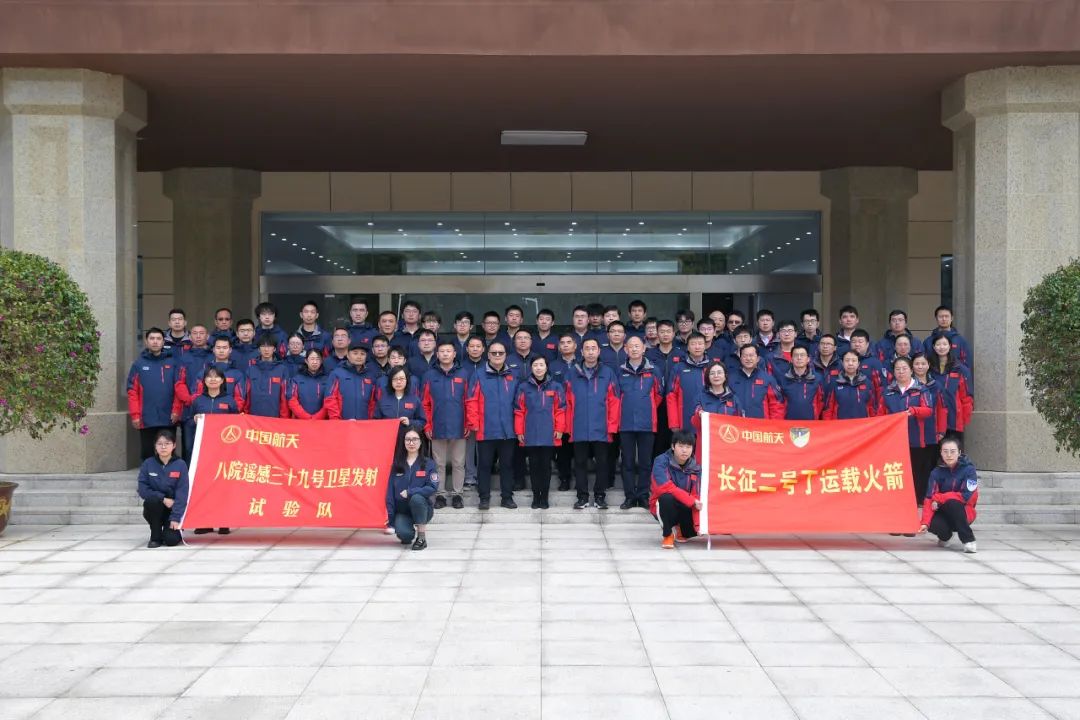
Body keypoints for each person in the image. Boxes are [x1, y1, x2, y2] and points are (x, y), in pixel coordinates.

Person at [565, 338, 620, 509]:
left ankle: (599, 496)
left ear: (599, 351)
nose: (590, 352)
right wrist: (568, 427)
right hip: (579, 426)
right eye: (587, 349)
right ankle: (582, 496)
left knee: (602, 463)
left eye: (593, 348)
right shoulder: (572, 373)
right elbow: (566, 402)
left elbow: (614, 401)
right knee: (580, 463)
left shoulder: (608, 372)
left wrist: (612, 426)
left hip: (601, 427)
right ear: (581, 352)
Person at [465, 341, 519, 510]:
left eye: (500, 353)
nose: (497, 356)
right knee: (484, 465)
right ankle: (484, 498)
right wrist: (474, 423)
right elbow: (471, 400)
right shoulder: (479, 375)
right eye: (493, 353)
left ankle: (507, 498)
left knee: (507, 465)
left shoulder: (513, 375)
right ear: (488, 355)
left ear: (505, 355)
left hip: (508, 430)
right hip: (485, 430)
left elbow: (519, 402)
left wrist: (518, 427)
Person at [881, 356, 939, 510]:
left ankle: (918, 501)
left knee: (917, 471)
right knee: (898, 471)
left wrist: (914, 411)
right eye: (897, 369)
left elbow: (928, 410)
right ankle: (899, 501)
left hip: (916, 438)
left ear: (911, 370)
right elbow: (881, 413)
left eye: (904, 368)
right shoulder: (888, 391)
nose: (901, 372)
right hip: (894, 439)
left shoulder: (921, 389)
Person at [421, 341, 471, 510]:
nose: (445, 354)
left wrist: (468, 422)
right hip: (437, 426)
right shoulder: (429, 375)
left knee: (458, 463)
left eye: (448, 351)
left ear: (454, 354)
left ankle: (458, 494)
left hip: (459, 425)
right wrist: (427, 425)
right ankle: (440, 494)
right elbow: (425, 403)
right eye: (442, 351)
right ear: (437, 354)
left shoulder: (463, 374)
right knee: (438, 464)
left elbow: (469, 401)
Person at [615, 336, 663, 510]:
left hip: (647, 423)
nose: (634, 349)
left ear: (644, 348)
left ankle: (643, 495)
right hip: (625, 423)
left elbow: (658, 394)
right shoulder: (619, 371)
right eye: (631, 346)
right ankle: (629, 496)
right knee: (627, 462)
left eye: (637, 346)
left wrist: (646, 408)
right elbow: (615, 395)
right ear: (625, 349)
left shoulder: (654, 370)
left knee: (645, 462)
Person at [514, 356, 567, 509]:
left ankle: (544, 497)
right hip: (530, 432)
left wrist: (559, 429)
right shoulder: (523, 387)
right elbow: (519, 410)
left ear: (546, 367)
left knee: (545, 466)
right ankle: (536, 497)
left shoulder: (556, 387)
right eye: (535, 365)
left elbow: (560, 409)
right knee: (534, 466)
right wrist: (519, 431)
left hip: (549, 433)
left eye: (541, 365)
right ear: (531, 368)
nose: (538, 368)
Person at [191, 366, 238, 535]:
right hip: (204, 450)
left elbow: (237, 426)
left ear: (222, 380)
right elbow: (188, 422)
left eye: (216, 377)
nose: (213, 380)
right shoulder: (198, 401)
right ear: (204, 381)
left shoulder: (230, 401)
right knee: (204, 485)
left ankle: (223, 521)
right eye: (209, 377)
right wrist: (194, 419)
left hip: (224, 450)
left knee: (223, 485)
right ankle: (205, 522)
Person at [127, 327, 181, 460]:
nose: (155, 341)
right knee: (148, 453)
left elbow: (178, 389)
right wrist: (135, 415)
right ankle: (148, 473)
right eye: (152, 338)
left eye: (158, 339)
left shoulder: (172, 363)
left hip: (168, 417)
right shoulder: (139, 364)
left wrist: (176, 411)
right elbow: (132, 391)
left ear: (163, 342)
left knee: (167, 453)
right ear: (146, 341)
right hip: (146, 417)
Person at [918, 438, 979, 553]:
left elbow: (966, 496)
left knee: (953, 503)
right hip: (942, 510)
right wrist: (925, 522)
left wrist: (939, 498)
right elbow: (929, 498)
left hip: (964, 511)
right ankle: (945, 537)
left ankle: (968, 540)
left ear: (959, 453)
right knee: (932, 523)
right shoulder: (936, 473)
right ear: (941, 453)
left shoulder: (969, 470)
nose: (949, 455)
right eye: (945, 451)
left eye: (952, 451)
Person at [385, 427, 438, 551]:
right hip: (402, 510)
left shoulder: (428, 463)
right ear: (403, 442)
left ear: (420, 442)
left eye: (415, 439)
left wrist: (410, 492)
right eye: (408, 439)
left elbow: (432, 487)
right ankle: (407, 531)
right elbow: (390, 493)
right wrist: (390, 518)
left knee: (416, 498)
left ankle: (421, 538)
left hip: (422, 507)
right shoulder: (397, 464)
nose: (411, 443)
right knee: (405, 536)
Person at [649, 430, 702, 549]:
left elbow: (697, 492)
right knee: (666, 497)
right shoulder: (661, 461)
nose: (684, 450)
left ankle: (681, 529)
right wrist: (691, 500)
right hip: (666, 504)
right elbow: (664, 487)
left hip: (686, 505)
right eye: (681, 446)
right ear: (673, 446)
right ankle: (668, 534)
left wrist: (698, 523)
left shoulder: (696, 467)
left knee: (695, 525)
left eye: (688, 447)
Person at [136, 429, 188, 548]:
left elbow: (182, 493)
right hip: (156, 507)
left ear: (174, 445)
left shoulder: (180, 464)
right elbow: (142, 490)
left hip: (173, 509)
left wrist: (176, 518)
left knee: (171, 540)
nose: (163, 447)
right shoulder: (148, 464)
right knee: (152, 501)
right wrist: (163, 498)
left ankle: (173, 530)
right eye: (159, 444)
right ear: (155, 446)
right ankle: (155, 536)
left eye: (167, 443)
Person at [929, 334, 975, 442]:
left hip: (954, 418)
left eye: (944, 344)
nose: (941, 347)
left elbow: (967, 396)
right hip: (934, 418)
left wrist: (965, 417)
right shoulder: (928, 368)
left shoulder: (960, 369)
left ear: (950, 346)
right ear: (934, 347)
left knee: (953, 448)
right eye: (938, 344)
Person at [666, 332, 710, 432]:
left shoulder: (712, 367)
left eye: (700, 343)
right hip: (685, 420)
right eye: (693, 344)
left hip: (709, 420)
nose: (697, 347)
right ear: (688, 347)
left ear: (705, 346)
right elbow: (671, 396)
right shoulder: (678, 368)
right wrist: (674, 423)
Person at [729, 344, 784, 419]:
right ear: (740, 358)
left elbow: (776, 405)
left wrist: (773, 425)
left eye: (751, 355)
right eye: (745, 356)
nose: (748, 358)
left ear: (758, 358)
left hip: (760, 424)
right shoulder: (731, 379)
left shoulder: (768, 379)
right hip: (737, 424)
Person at [325, 342, 377, 420]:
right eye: (355, 353)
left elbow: (373, 402)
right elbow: (330, 398)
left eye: (362, 354)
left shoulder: (370, 376)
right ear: (348, 355)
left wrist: (370, 421)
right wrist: (336, 420)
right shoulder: (337, 374)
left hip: (364, 423)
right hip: (342, 422)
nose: (359, 356)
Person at [822, 350, 881, 419]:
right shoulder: (835, 383)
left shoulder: (867, 383)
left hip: (863, 424)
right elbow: (828, 409)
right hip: (840, 424)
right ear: (842, 363)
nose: (850, 363)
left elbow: (873, 408)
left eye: (854, 360)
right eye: (847, 360)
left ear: (858, 364)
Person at [691, 362, 743, 435]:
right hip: (707, 439)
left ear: (725, 376)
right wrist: (699, 415)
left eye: (719, 373)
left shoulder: (733, 399)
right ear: (708, 377)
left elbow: (740, 423)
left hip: (728, 438)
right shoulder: (700, 397)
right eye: (712, 373)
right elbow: (695, 424)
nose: (716, 376)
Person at [245, 335, 290, 418]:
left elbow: (284, 396)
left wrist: (284, 418)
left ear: (274, 349)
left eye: (269, 346)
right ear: (259, 349)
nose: (266, 349)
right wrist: (246, 414)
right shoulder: (251, 369)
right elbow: (247, 395)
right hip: (253, 417)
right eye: (263, 346)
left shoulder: (282, 369)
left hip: (275, 417)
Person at [776, 345, 826, 420]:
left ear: (808, 359)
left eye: (802, 355)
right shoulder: (783, 378)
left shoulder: (817, 378)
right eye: (796, 355)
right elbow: (779, 402)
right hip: (788, 422)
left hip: (811, 422)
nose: (799, 358)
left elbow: (821, 401)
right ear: (791, 359)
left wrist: (814, 415)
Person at [288, 348, 331, 419]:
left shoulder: (327, 380)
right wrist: (305, 417)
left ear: (321, 361)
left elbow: (330, 400)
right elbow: (292, 399)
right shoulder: (297, 379)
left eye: (318, 359)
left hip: (321, 421)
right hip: (301, 420)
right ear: (306, 361)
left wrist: (318, 417)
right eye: (312, 359)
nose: (315, 362)